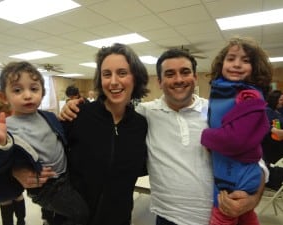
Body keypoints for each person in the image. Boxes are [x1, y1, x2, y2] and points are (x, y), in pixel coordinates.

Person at [58, 48, 267, 225]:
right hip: (166, 218)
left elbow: (255, 159)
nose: (178, 80)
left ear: (195, 77)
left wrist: (252, 199)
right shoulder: (145, 115)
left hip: (216, 216)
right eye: (169, 74)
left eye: (185, 72)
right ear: (159, 81)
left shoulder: (217, 113)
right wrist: (72, 106)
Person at [14, 43, 149, 225]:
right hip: (71, 218)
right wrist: (16, 170)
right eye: (107, 74)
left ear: (135, 77)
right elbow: (38, 149)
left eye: (122, 73)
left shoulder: (140, 125)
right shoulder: (77, 115)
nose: (114, 81)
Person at [0, 61, 89, 225]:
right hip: (46, 187)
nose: (27, 95)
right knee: (80, 213)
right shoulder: (6, 127)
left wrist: (72, 106)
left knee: (61, 214)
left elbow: (61, 136)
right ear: (4, 97)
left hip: (65, 176)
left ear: (42, 92)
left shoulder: (48, 116)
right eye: (17, 90)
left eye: (34, 89)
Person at [201, 37, 272, 225]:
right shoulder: (225, 92)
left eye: (246, 60)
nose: (237, 64)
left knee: (222, 218)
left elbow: (234, 140)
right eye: (231, 59)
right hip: (230, 169)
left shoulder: (248, 96)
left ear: (255, 67)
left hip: (236, 177)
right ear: (222, 63)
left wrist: (205, 136)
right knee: (247, 218)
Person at [0, 88, 26, 225]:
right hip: (13, 164)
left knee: (4, 198)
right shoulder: (14, 116)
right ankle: (21, 221)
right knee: (18, 195)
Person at [262, 89, 283, 191]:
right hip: (270, 144)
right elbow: (264, 124)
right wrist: (273, 130)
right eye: (280, 100)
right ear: (274, 100)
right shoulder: (267, 110)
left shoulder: (279, 110)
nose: (282, 102)